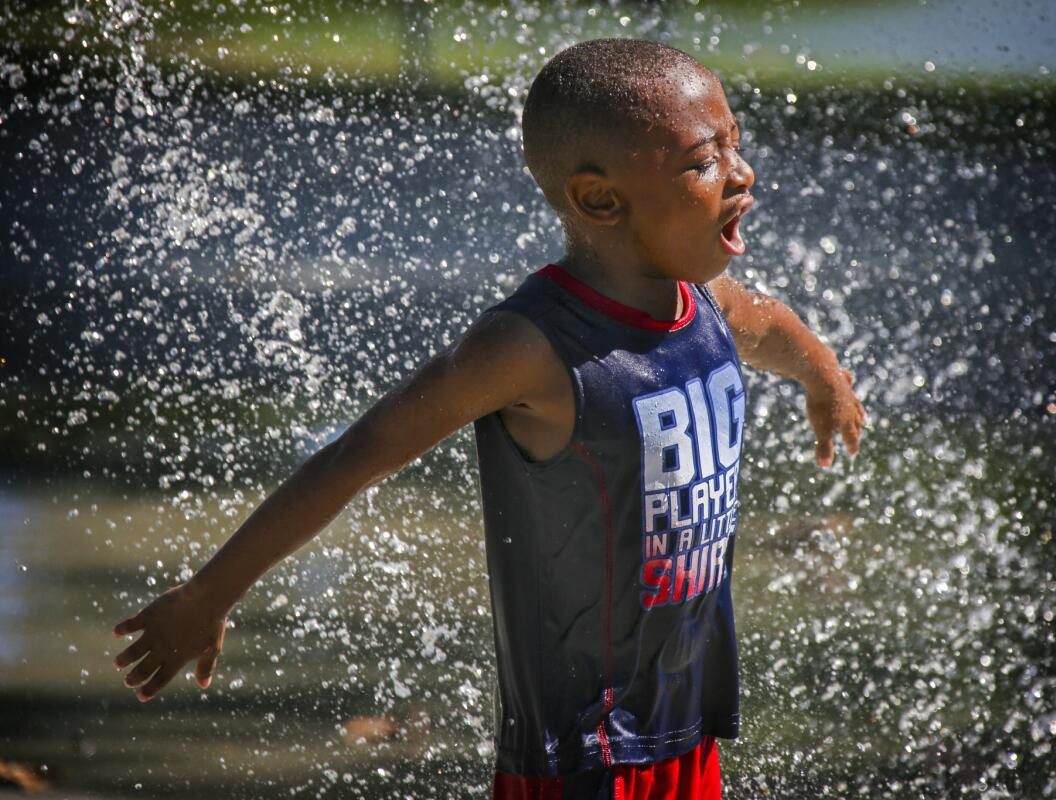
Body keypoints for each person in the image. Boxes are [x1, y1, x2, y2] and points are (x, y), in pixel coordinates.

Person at [111, 38, 866, 800]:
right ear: (599, 200)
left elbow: (769, 325)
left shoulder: (706, 300)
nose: (742, 173)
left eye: (734, 145)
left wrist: (824, 378)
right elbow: (356, 456)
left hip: (683, 724)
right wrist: (209, 596)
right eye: (704, 161)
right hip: (583, 757)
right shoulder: (532, 348)